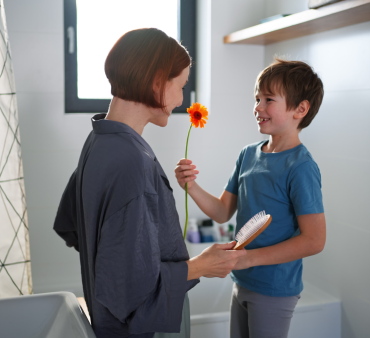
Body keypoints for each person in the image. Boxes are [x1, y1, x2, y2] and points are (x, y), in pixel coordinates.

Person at [53, 28, 245, 338]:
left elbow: (73, 225)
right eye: (180, 86)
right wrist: (201, 265)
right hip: (133, 328)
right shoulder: (131, 160)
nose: (182, 99)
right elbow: (132, 283)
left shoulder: (100, 138)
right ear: (157, 81)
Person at [174, 59, 326, 338]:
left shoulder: (301, 167)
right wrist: (191, 186)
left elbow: (314, 240)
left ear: (300, 109)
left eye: (269, 99)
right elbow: (221, 212)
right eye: (257, 99)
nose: (257, 107)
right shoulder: (248, 154)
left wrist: (248, 259)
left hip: (275, 289)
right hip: (242, 280)